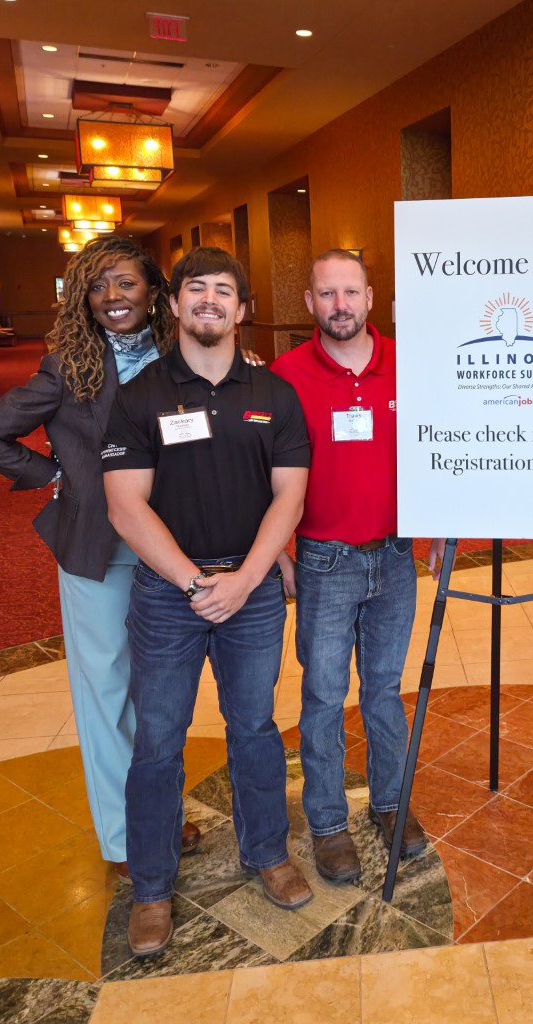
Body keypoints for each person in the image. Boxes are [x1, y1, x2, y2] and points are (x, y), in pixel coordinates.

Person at [102, 247, 313, 956]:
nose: (211, 301)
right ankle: (152, 890)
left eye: (225, 291)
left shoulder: (276, 394)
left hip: (250, 595)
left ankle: (268, 855)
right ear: (175, 303)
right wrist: (196, 584)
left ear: (243, 310)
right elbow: (126, 509)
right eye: (198, 289)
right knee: (158, 741)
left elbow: (291, 495)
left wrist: (246, 579)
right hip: (169, 596)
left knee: (254, 728)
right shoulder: (140, 398)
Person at [0, 235, 201, 877]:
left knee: (161, 692)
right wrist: (56, 477)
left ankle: (159, 814)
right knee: (106, 689)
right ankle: (124, 838)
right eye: (99, 285)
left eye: (127, 284)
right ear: (85, 296)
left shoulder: (180, 356)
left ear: (154, 292)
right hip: (97, 549)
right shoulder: (68, 364)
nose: (113, 297)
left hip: (172, 545)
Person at [271, 249, 431, 885]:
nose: (341, 306)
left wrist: (442, 525)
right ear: (310, 303)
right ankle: (329, 822)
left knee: (386, 692)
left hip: (395, 556)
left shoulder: (410, 364)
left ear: (370, 297)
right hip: (322, 560)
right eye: (327, 294)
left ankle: (391, 805)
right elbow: (265, 477)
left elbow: (441, 448)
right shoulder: (283, 377)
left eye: (351, 293)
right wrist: (279, 552)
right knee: (322, 695)